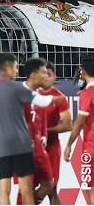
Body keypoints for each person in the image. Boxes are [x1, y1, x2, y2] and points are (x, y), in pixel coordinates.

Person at [0, 53, 60, 205]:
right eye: (15, 68)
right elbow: (40, 101)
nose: (16, 71)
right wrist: (53, 99)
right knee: (26, 188)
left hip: (0, 147)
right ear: (8, 68)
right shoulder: (18, 89)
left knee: (4, 191)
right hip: (22, 146)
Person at [20, 58, 54, 204]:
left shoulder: (40, 94)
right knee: (25, 189)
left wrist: (45, 134)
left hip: (40, 148)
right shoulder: (19, 94)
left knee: (48, 184)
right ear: (33, 75)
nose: (46, 76)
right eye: (43, 73)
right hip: (24, 150)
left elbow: (42, 117)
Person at [38, 62, 71, 205]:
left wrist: (44, 131)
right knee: (31, 186)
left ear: (54, 77)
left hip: (51, 147)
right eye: (43, 74)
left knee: (52, 187)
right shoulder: (32, 96)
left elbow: (68, 125)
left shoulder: (60, 98)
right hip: (33, 147)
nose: (46, 77)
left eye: (49, 74)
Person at [64, 53, 94, 205]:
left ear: (82, 72)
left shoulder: (87, 94)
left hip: (91, 148)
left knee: (91, 187)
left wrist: (69, 145)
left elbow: (80, 121)